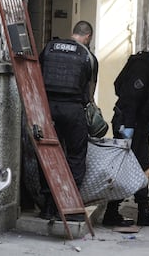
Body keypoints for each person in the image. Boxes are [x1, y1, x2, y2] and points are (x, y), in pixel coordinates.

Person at [102, 32, 149, 227]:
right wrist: (128, 130)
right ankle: (118, 212)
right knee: (133, 167)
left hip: (139, 124)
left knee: (142, 167)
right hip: (130, 123)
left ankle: (137, 211)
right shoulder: (142, 65)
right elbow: (131, 98)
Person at [38, 20, 98, 221]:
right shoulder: (88, 56)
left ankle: (48, 206)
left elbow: (37, 76)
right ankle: (69, 206)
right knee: (75, 156)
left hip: (48, 109)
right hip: (73, 110)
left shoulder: (49, 48)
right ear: (88, 36)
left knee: (48, 154)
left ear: (74, 33)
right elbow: (89, 93)